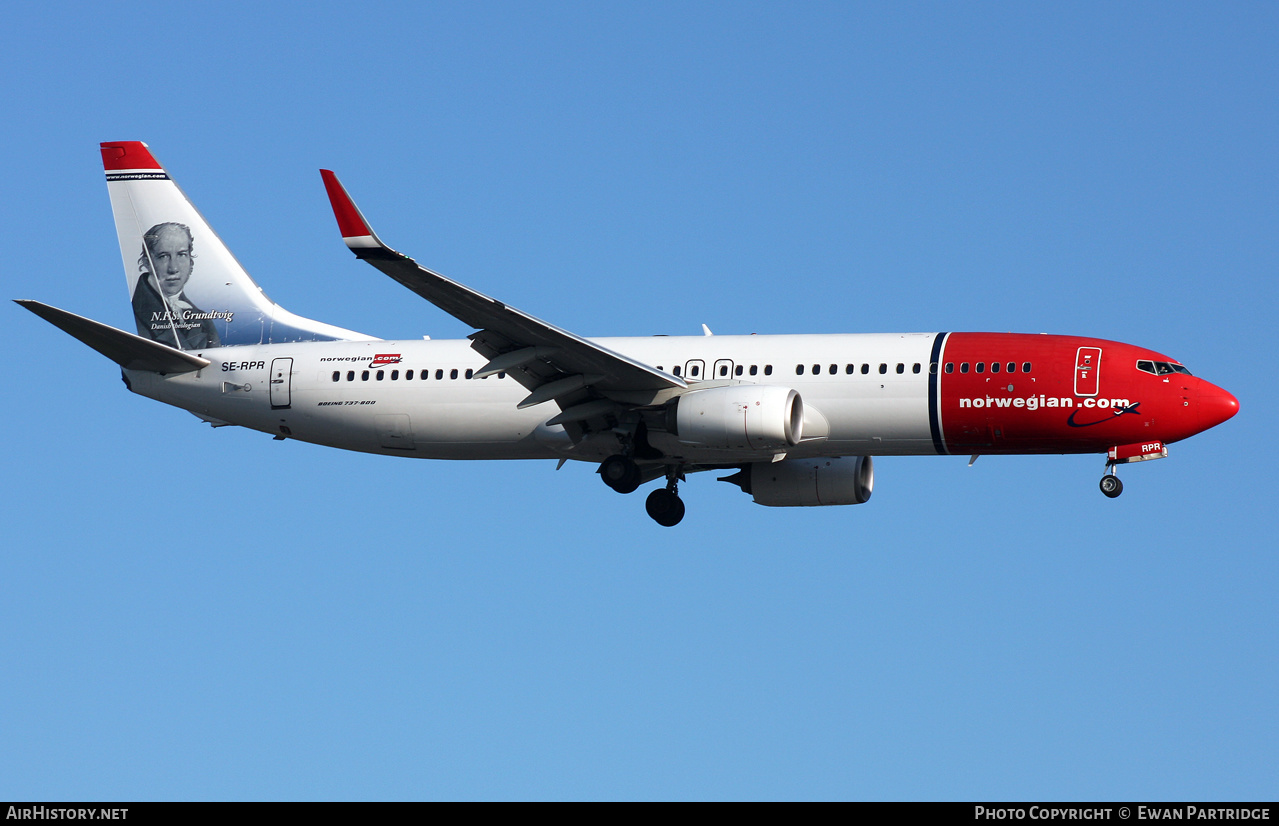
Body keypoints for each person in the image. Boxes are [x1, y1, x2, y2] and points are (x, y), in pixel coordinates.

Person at [131, 222, 221, 349]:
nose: (173, 268)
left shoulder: (205, 322)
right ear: (147, 262)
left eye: (181, 255)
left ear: (191, 261)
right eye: (163, 256)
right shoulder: (133, 315)